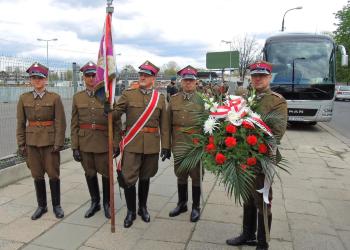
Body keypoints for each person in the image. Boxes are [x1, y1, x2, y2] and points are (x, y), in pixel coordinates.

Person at [226, 61, 288, 250]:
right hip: (243, 158)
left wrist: (250, 147)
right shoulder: (244, 97)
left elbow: (277, 133)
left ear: (269, 78)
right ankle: (247, 234)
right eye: (255, 76)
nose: (258, 79)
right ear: (250, 78)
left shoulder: (277, 101)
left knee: (262, 200)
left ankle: (263, 242)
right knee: (247, 197)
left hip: (262, 158)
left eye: (262, 76)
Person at [115, 60, 171, 228]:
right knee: (129, 178)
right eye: (141, 75)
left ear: (153, 79)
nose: (142, 77)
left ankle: (142, 208)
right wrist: (109, 109)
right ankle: (131, 211)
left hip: (152, 145)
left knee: (145, 177)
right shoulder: (128, 94)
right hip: (132, 144)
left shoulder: (160, 99)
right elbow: (115, 115)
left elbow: (165, 126)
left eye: (146, 75)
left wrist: (166, 146)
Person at [16, 62, 66, 220]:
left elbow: (60, 122)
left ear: (45, 80)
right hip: (32, 143)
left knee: (53, 174)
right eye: (34, 78)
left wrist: (58, 143)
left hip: (50, 142)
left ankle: (56, 206)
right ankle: (42, 206)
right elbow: (20, 123)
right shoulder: (23, 98)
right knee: (37, 175)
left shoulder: (55, 98)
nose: (37, 80)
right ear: (30, 80)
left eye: (40, 78)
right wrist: (21, 144)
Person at [71, 61, 119, 219]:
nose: (91, 78)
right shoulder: (77, 98)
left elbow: (117, 122)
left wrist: (116, 143)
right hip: (85, 143)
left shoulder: (107, 96)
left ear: (98, 77)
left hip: (103, 142)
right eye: (88, 75)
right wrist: (74, 147)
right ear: (83, 77)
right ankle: (95, 202)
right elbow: (74, 124)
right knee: (89, 173)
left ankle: (107, 203)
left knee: (106, 174)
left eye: (94, 75)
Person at [168, 65, 204, 222]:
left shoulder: (203, 100)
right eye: (185, 80)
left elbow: (210, 124)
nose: (188, 83)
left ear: (196, 82)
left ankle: (196, 206)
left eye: (191, 80)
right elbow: (167, 123)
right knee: (180, 175)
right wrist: (167, 146)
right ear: (181, 82)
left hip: (195, 145)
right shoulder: (174, 99)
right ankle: (182, 203)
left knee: (196, 177)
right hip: (178, 143)